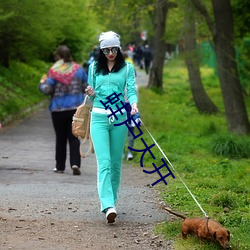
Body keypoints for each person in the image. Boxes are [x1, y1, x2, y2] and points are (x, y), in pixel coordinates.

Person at [85, 31, 138, 223]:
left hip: (119, 119)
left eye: (114, 49)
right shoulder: (93, 68)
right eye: (106, 50)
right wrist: (90, 92)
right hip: (98, 118)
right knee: (104, 162)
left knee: (116, 164)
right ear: (101, 50)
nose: (110, 53)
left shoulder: (127, 68)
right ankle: (107, 205)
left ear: (119, 48)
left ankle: (112, 201)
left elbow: (130, 90)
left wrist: (133, 104)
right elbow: (91, 97)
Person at [39, 45, 88, 175]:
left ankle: (60, 166)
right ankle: (75, 163)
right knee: (74, 137)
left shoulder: (54, 71)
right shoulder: (79, 70)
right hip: (75, 109)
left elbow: (47, 90)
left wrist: (42, 83)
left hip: (58, 109)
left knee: (60, 138)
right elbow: (86, 87)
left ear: (58, 57)